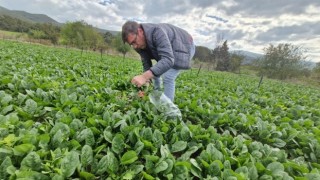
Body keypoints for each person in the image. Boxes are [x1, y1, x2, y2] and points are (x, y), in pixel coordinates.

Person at [122, 21, 195, 102]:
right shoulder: (138, 45)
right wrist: (146, 82)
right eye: (131, 44)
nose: (134, 46)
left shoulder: (157, 31)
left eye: (134, 41)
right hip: (170, 49)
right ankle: (157, 96)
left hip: (185, 44)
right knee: (155, 71)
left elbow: (168, 60)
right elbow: (147, 64)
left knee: (168, 76)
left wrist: (144, 77)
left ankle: (168, 109)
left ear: (140, 31)